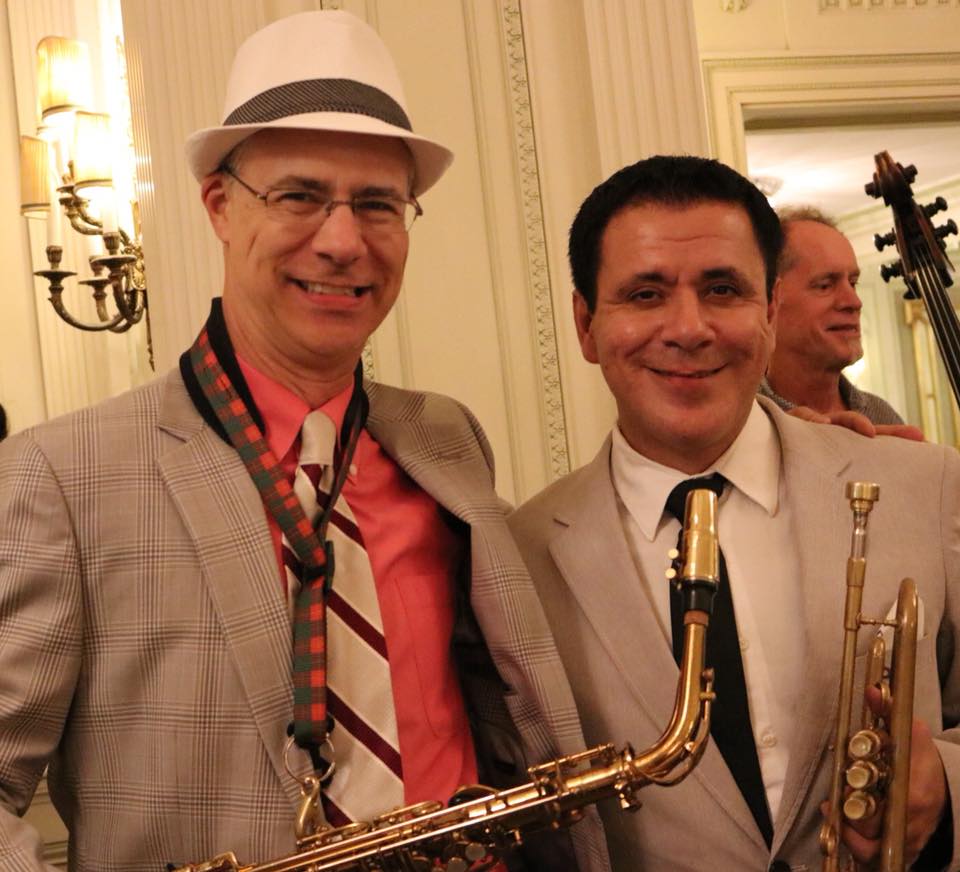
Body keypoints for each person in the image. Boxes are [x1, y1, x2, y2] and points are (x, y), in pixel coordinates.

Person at [0, 12, 607, 871]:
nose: (343, 241)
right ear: (220, 205)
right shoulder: (62, 476)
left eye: (377, 204)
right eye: (299, 196)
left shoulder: (446, 438)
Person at [509, 156, 960, 871]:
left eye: (723, 289)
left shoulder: (925, 485)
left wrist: (949, 789)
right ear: (587, 325)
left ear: (771, 313)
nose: (689, 328)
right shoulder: (518, 558)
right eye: (645, 294)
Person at [760, 206, 906, 428]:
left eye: (853, 283)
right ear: (770, 300)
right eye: (825, 285)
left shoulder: (881, 415)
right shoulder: (741, 422)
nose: (854, 302)